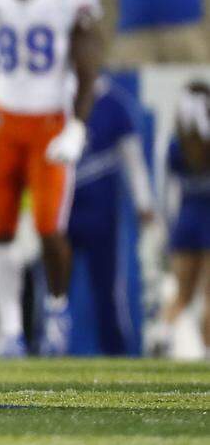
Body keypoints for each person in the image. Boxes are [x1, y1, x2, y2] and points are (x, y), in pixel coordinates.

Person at [0, 0, 103, 357]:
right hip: (3, 124)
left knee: (49, 230)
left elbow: (87, 70)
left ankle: (57, 309)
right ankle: (11, 331)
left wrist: (78, 127)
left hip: (49, 126)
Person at [68, 76, 156, 356]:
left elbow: (133, 158)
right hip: (59, 212)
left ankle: (116, 353)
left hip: (101, 214)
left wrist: (144, 201)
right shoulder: (55, 97)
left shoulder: (113, 103)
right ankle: (44, 349)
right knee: (52, 291)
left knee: (107, 290)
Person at [155, 83, 210, 359]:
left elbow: (163, 192)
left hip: (185, 222)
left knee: (182, 295)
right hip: (201, 219)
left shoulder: (176, 144)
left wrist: (166, 229)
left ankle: (163, 336)